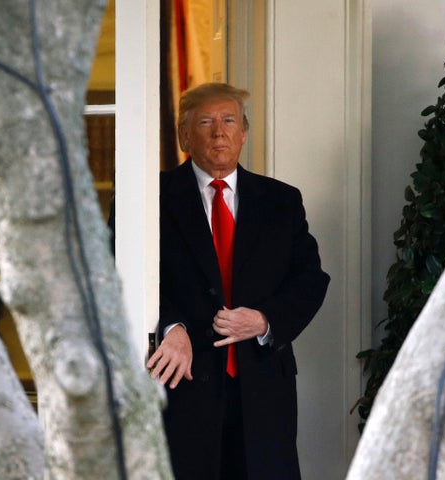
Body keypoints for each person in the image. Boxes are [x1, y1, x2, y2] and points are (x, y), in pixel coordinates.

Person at [146, 82, 330, 480]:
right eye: (206, 122)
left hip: (264, 386)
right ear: (183, 135)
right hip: (183, 386)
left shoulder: (282, 200)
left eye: (229, 121)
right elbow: (116, 275)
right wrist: (169, 326)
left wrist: (265, 321)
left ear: (244, 132)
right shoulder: (149, 198)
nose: (219, 132)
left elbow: (310, 280)